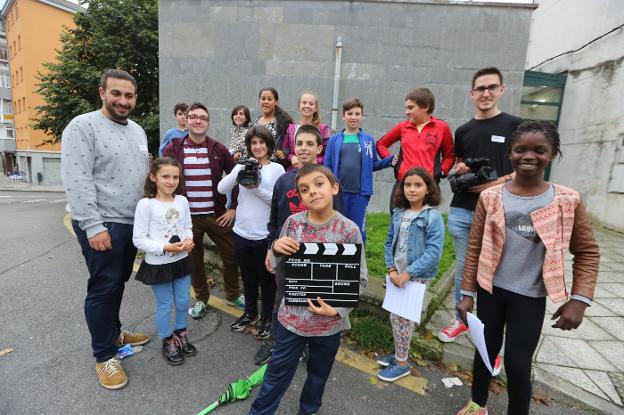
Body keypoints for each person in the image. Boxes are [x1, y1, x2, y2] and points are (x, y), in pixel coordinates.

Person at [455, 121, 600, 415]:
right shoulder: (491, 197)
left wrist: (580, 299)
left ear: (553, 154)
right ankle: (477, 404)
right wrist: (467, 292)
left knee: (518, 364)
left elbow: (587, 252)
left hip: (530, 295)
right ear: (510, 153)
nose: (528, 156)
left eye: (539, 150)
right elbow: (474, 247)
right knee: (485, 352)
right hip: (491, 290)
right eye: (520, 149)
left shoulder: (566, 201)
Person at [248, 164, 367, 415]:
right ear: (299, 197)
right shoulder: (292, 224)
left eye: (319, 184)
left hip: (328, 326)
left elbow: (360, 280)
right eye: (305, 189)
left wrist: (337, 309)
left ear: (334, 187)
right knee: (276, 373)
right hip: (292, 320)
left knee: (318, 375)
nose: (312, 191)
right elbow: (278, 269)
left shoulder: (349, 231)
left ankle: (309, 409)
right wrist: (276, 249)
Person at [61, 69, 150, 390]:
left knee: (117, 284)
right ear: (102, 92)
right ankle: (104, 356)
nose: (123, 101)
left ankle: (114, 334)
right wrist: (94, 226)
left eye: (128, 95)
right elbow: (77, 179)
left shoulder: (138, 131)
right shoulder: (83, 127)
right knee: (103, 288)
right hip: (102, 225)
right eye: (116, 94)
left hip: (130, 225)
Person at [438, 67, 523, 350]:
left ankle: (491, 333)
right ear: (472, 93)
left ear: (501, 90)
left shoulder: (516, 126)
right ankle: (462, 320)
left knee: (497, 272)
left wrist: (495, 184)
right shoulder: (463, 131)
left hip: (500, 210)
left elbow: (525, 169)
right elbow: (459, 164)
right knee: (464, 267)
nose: (486, 93)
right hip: (463, 209)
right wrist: (458, 169)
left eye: (492, 87)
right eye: (480, 89)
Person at [254, 124, 342, 366]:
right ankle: (275, 340)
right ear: (293, 146)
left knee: (311, 299)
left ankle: (305, 342)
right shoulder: (283, 181)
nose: (304, 148)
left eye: (310, 144)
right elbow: (273, 220)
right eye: (300, 143)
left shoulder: (328, 181)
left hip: (317, 256)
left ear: (319, 148)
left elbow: (339, 220)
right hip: (286, 252)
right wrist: (272, 247)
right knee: (280, 296)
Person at [163, 102, 245, 318]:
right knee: (194, 261)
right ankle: (201, 299)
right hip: (187, 219)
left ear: (208, 123)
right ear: (186, 120)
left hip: (216, 215)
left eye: (203, 117)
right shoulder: (174, 148)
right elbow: (163, 179)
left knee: (231, 255)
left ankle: (233, 295)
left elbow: (236, 177)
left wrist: (233, 208)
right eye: (193, 117)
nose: (198, 120)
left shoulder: (218, 149)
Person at [376, 168, 445, 382]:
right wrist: (392, 269)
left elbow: (433, 253)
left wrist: (407, 274)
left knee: (402, 319)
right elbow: (389, 243)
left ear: (428, 189)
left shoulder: (432, 217)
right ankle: (399, 355)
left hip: (416, 276)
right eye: (408, 185)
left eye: (418, 185)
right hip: (396, 274)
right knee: (395, 316)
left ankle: (403, 363)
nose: (412, 189)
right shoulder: (398, 213)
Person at [218, 126, 285, 339]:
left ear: (269, 145)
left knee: (266, 281)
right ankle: (249, 313)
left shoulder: (277, 169)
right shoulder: (243, 166)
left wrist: (255, 188)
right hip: (241, 233)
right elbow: (221, 188)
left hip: (263, 235)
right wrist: (239, 172)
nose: (258, 147)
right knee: (247, 278)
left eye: (261, 143)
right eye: (254, 143)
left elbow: (277, 200)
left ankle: (266, 318)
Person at [132, 157, 197, 365]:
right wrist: (164, 247)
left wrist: (189, 240)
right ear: (153, 177)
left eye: (175, 177)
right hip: (158, 264)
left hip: (181, 260)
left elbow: (187, 226)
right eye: (165, 176)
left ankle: (181, 333)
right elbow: (138, 239)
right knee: (165, 304)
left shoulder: (182, 201)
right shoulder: (146, 204)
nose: (171, 181)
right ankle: (167, 340)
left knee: (184, 301)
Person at [324, 97, 395, 242]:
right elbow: (328, 168)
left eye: (357, 114)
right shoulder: (334, 140)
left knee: (358, 232)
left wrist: (389, 161)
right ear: (343, 116)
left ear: (362, 116)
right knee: (338, 229)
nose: (353, 117)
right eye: (350, 113)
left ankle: (358, 263)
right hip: (338, 194)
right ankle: (338, 263)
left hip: (360, 194)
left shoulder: (368, 140)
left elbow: (373, 165)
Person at [376, 87, 455, 209]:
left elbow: (449, 155)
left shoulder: (442, 127)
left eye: (410, 107)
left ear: (425, 107)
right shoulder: (403, 127)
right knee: (398, 226)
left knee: (426, 226)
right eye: (406, 108)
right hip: (403, 185)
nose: (406, 112)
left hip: (429, 187)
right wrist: (392, 161)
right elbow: (381, 144)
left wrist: (442, 171)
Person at [281, 91, 331, 169]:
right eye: (304, 103)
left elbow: (328, 154)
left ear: (316, 108)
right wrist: (292, 158)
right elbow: (285, 150)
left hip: (315, 170)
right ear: (299, 106)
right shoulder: (290, 128)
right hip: (294, 171)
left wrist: (311, 161)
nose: (307, 106)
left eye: (311, 104)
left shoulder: (323, 129)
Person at [249, 87, 293, 166]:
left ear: (276, 102)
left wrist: (285, 152)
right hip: (254, 167)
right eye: (263, 99)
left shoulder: (283, 123)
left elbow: (292, 145)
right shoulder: (253, 123)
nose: (266, 102)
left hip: (274, 166)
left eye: (269, 99)